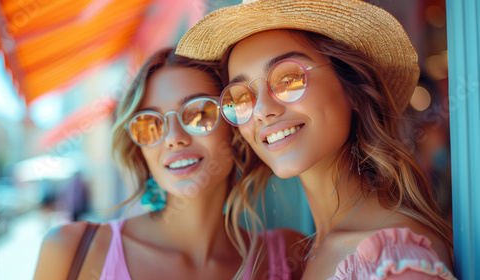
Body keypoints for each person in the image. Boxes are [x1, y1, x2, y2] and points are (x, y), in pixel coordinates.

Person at [176, 0, 456, 279]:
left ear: (351, 88)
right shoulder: (303, 254)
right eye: (240, 97)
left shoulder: (395, 263)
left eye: (289, 80)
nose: (261, 110)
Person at [34, 47, 305, 280]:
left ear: (235, 129)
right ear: (140, 149)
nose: (174, 138)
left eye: (199, 113)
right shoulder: (70, 251)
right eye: (150, 123)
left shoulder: (289, 255)